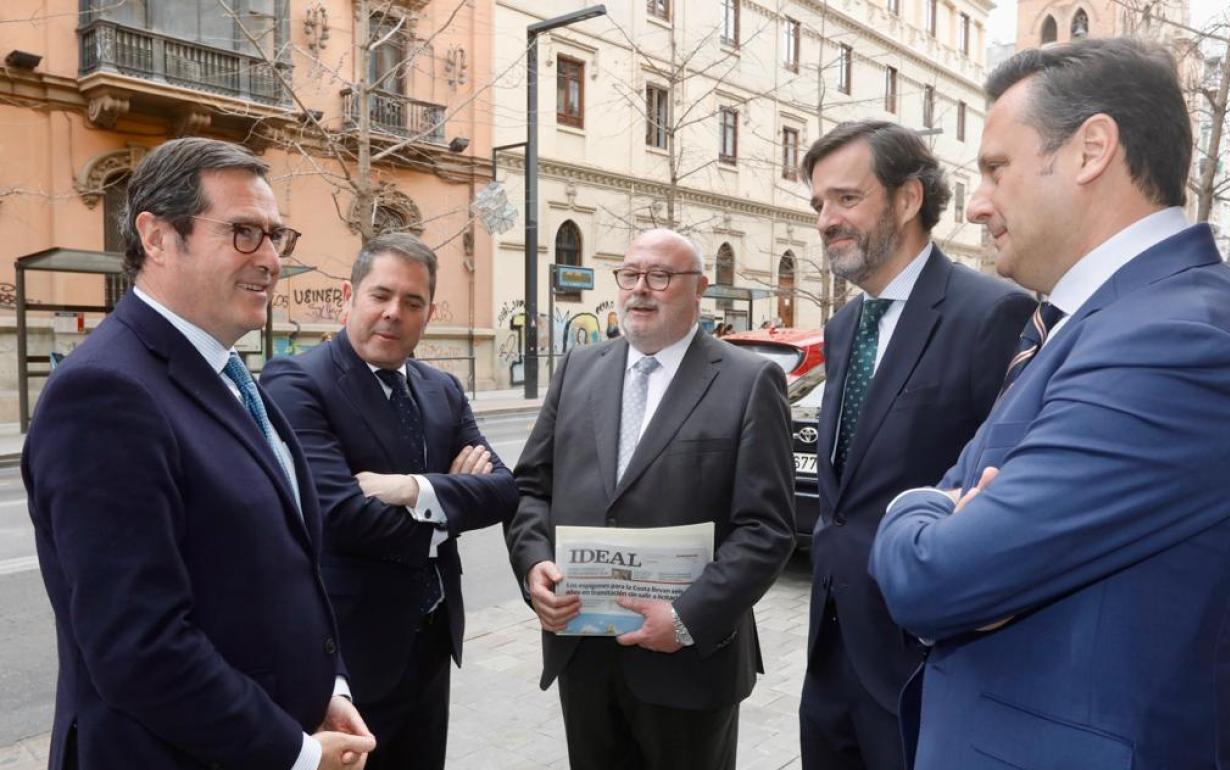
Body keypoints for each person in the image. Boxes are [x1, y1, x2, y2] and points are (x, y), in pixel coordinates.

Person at [869, 37, 1230, 770]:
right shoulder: (1101, 321)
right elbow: (959, 511)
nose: (975, 205)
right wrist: (943, 509)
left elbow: (939, 578)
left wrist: (908, 510)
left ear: (1090, 150)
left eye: (995, 169)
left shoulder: (1176, 339)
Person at [21, 138, 375, 770]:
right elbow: (139, 647)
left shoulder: (226, 373)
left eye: (275, 235)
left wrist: (329, 690)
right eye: (243, 232)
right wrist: (294, 753)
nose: (269, 259)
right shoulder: (105, 393)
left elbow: (279, 572)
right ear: (156, 237)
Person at [507, 228, 795, 770]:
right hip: (584, 654)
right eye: (630, 275)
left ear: (699, 289)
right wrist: (532, 566)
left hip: (687, 662)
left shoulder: (749, 380)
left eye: (660, 276)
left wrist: (686, 618)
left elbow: (767, 529)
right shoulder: (577, 368)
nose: (640, 289)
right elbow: (529, 489)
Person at [797, 121, 1033, 769]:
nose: (825, 220)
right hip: (829, 659)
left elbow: (1004, 493)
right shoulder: (846, 325)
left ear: (907, 199)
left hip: (924, 668)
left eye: (846, 198)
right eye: (818, 204)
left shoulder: (993, 313)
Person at [262, 233, 518, 770]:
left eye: (413, 301)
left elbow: (502, 491)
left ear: (428, 313)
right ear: (347, 297)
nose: (393, 313)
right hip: (347, 657)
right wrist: (452, 500)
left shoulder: (441, 387)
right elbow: (341, 517)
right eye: (380, 295)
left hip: (430, 642)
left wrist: (413, 489)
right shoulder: (296, 382)